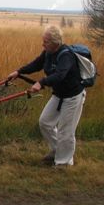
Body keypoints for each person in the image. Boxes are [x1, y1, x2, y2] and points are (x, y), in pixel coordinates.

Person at [7, 25, 86, 167]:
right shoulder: (48, 52)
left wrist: (41, 83)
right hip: (59, 94)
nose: (43, 44)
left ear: (56, 42)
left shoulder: (66, 55)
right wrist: (19, 72)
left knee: (65, 131)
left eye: (46, 42)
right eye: (43, 41)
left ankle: (63, 163)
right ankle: (58, 150)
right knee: (45, 122)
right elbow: (36, 64)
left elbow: (60, 75)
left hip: (73, 97)